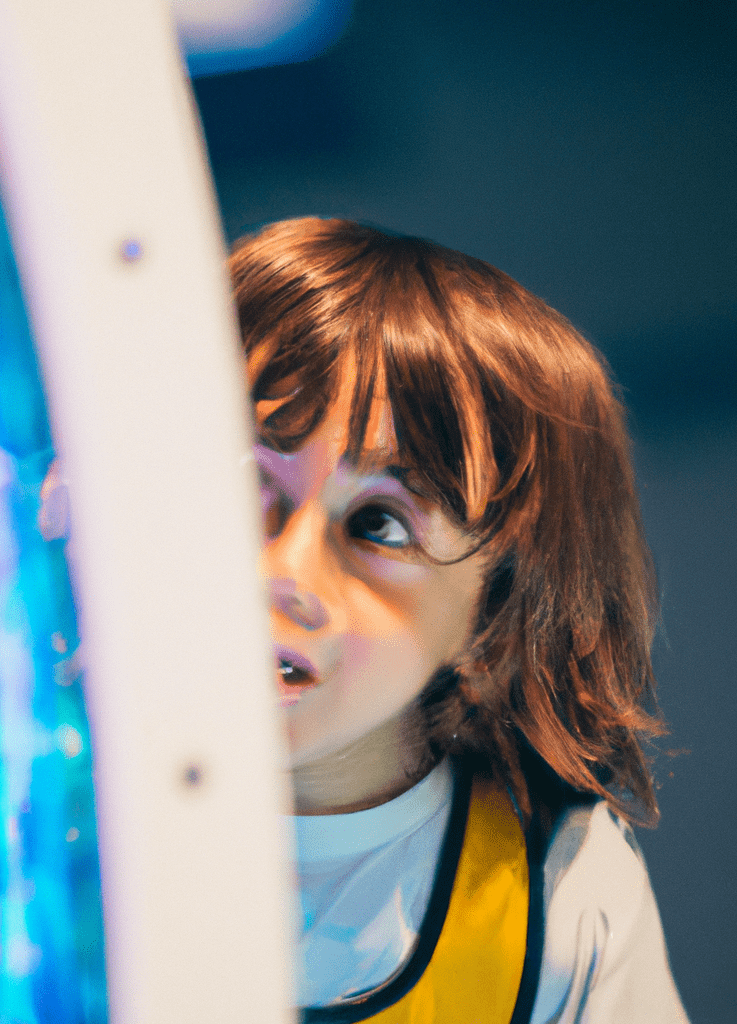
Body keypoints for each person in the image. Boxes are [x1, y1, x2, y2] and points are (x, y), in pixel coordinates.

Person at [233, 217, 688, 1023]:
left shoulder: (558, 893)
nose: (283, 574)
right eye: (241, 488)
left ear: (494, 624)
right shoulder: (11, 792)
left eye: (379, 525)